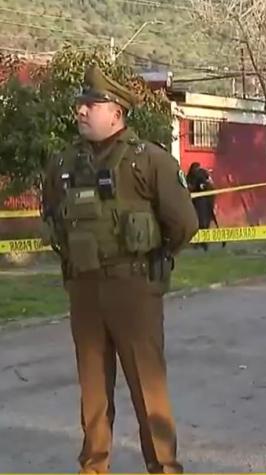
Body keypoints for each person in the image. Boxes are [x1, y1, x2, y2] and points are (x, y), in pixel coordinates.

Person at [40, 64, 198, 473]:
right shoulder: (63, 163)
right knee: (92, 389)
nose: (81, 111)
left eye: (91, 104)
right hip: (85, 289)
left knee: (148, 385)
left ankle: (164, 467)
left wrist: (154, 258)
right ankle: (94, 466)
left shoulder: (149, 162)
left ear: (117, 112)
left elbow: (184, 223)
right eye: (80, 104)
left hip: (133, 286)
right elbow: (53, 217)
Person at [186, 162, 218, 251]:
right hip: (197, 204)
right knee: (200, 223)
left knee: (204, 224)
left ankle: (203, 242)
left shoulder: (203, 175)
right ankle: (200, 242)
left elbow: (211, 188)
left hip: (205, 204)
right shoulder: (191, 177)